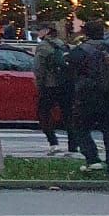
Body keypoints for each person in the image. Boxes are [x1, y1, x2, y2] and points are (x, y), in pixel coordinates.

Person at [67, 20, 109, 180]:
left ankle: (93, 159)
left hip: (89, 97)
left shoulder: (80, 51)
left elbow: (70, 73)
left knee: (79, 127)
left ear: (86, 33)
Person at [33, 24, 70, 156]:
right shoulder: (62, 44)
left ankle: (53, 142)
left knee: (43, 113)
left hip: (50, 85)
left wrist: (39, 84)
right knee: (68, 115)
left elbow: (38, 68)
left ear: (46, 31)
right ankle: (73, 146)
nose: (38, 32)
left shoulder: (43, 46)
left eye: (40, 30)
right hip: (65, 84)